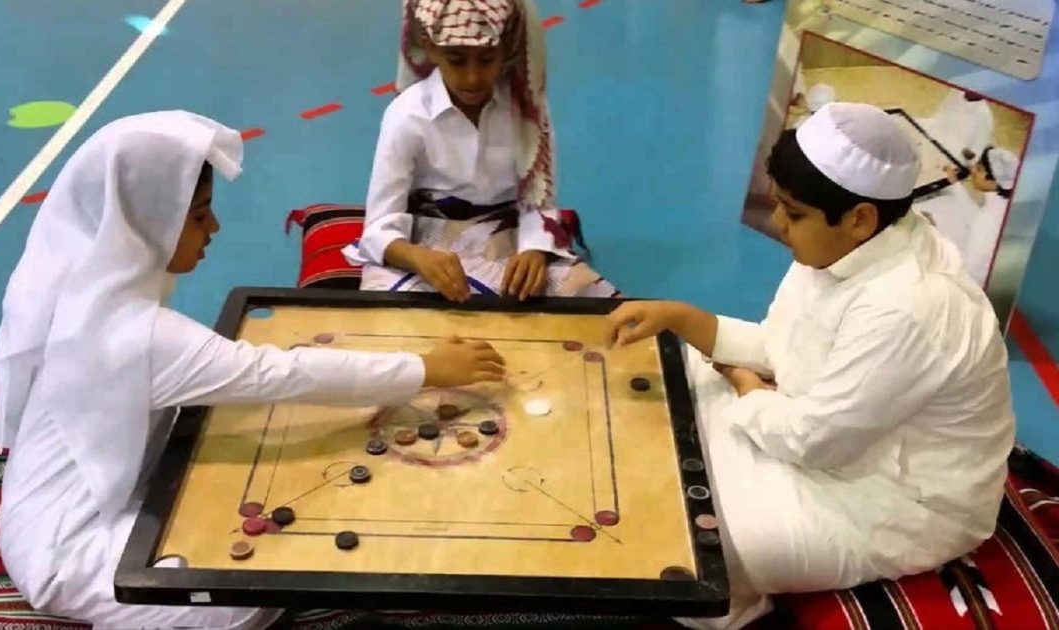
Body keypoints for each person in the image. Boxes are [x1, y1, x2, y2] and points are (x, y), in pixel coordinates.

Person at [0, 111, 506, 629]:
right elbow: (284, 373)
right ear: (145, 221)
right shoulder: (137, 335)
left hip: (88, 505)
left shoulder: (89, 291)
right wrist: (426, 368)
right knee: (249, 588)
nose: (214, 228)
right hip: (67, 552)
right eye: (198, 215)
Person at [605, 102, 1015, 629]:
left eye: (794, 213)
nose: (779, 223)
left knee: (691, 541)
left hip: (898, 501)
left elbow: (812, 441)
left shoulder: (907, 307)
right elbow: (785, 347)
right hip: (833, 435)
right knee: (669, 382)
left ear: (860, 218)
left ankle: (738, 613)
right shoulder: (848, 247)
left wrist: (745, 386)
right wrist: (683, 319)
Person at [342, 0, 617, 303]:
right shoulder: (406, 115)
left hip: (508, 237)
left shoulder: (526, 109)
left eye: (486, 60)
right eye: (456, 61)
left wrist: (535, 249)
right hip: (426, 241)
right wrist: (418, 258)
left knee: (592, 304)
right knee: (393, 317)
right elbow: (380, 225)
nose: (472, 78)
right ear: (430, 48)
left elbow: (538, 198)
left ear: (506, 49)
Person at [915, 145, 1019, 287]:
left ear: (994, 182)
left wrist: (933, 232)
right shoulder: (1001, 204)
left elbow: (965, 272)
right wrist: (955, 183)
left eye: (979, 169)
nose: (972, 170)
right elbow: (974, 211)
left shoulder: (986, 221)